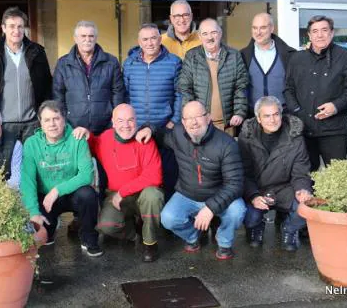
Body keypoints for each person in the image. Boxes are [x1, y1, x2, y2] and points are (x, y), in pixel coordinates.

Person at [137, 101, 246, 260]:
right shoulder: (178, 134)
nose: (194, 122)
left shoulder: (226, 144)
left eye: (198, 116)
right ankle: (193, 236)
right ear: (183, 122)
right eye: (188, 118)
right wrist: (148, 128)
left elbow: (235, 184)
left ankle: (223, 241)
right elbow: (160, 134)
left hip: (217, 195)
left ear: (208, 118)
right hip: (187, 194)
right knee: (168, 218)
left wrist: (210, 208)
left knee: (237, 211)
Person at [77, 104, 165, 262]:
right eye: (121, 120)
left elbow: (155, 177)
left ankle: (150, 243)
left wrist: (122, 192)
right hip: (116, 195)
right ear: (113, 122)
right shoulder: (105, 137)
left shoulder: (145, 140)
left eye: (131, 120)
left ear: (137, 121)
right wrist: (86, 134)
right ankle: (133, 230)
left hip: (143, 194)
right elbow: (91, 145)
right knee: (106, 226)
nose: (126, 125)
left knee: (153, 195)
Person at [20, 100, 102, 257]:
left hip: (72, 194)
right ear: (41, 124)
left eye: (56, 118)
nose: (52, 124)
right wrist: (33, 213)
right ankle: (51, 227)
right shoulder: (31, 144)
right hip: (46, 198)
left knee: (88, 195)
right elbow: (28, 181)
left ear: (64, 119)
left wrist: (57, 190)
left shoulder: (77, 139)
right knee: (46, 238)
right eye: (47, 120)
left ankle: (88, 237)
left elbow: (86, 176)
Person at [284, 15, 347, 171]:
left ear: (331, 33)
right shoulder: (296, 59)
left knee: (337, 179)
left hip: (334, 131)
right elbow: (288, 89)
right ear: (309, 35)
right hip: (302, 129)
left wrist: (335, 106)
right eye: (315, 31)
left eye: (324, 30)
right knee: (305, 179)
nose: (320, 35)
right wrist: (298, 112)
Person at [238, 96, 312, 251]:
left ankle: (289, 229)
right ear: (258, 118)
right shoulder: (247, 137)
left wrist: (301, 190)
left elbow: (301, 171)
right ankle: (256, 225)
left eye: (276, 114)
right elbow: (243, 173)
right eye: (266, 116)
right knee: (248, 216)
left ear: (281, 113)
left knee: (306, 207)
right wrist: (253, 196)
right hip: (257, 188)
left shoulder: (294, 136)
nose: (272, 120)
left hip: (284, 187)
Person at [123, 23, 182, 199]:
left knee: (168, 174)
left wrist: (173, 121)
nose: (150, 43)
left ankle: (167, 219)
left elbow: (181, 94)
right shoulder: (130, 63)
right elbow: (125, 95)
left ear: (160, 39)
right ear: (139, 42)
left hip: (165, 129)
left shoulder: (174, 62)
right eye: (145, 39)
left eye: (154, 38)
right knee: (139, 175)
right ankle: (141, 217)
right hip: (138, 130)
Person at [0, 7, 52, 143]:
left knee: (31, 163)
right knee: (6, 164)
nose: (16, 31)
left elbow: (47, 86)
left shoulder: (37, 52)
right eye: (12, 26)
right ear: (3, 28)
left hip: (32, 123)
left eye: (20, 26)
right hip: (4, 123)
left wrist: (44, 116)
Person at [178, 18, 249, 136]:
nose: (209, 37)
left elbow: (241, 86)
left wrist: (239, 112)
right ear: (200, 37)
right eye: (205, 34)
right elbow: (185, 89)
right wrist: (192, 117)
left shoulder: (234, 55)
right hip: (200, 125)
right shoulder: (191, 56)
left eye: (213, 33)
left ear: (220, 34)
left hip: (228, 125)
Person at [53, 20, 125, 135]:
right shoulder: (63, 63)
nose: (87, 39)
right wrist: (65, 122)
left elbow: (118, 93)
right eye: (83, 36)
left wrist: (114, 121)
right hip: (74, 129)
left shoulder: (111, 62)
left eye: (91, 36)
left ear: (96, 38)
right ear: (75, 38)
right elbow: (58, 96)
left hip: (105, 128)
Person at [240, 13, 295, 115]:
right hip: (252, 115)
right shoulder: (242, 55)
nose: (258, 32)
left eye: (263, 28)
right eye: (255, 28)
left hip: (283, 114)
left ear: (272, 28)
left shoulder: (290, 55)